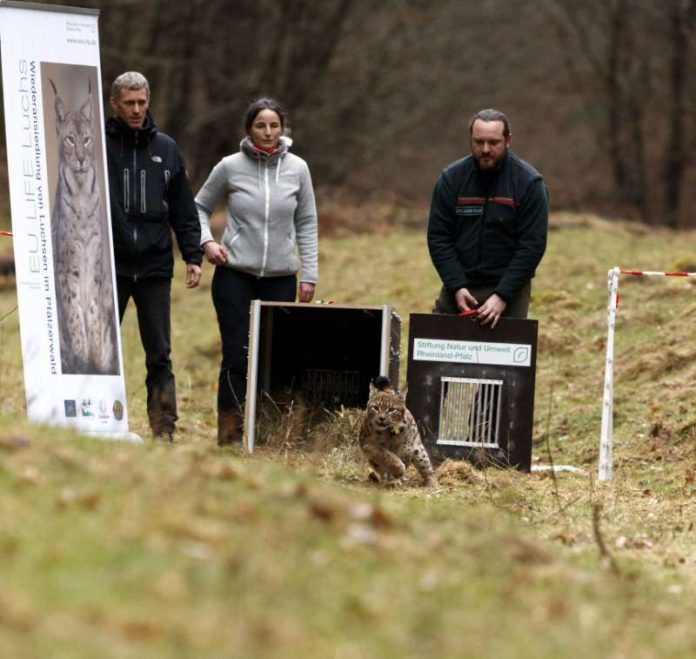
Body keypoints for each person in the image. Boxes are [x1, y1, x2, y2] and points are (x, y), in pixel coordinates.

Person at [195, 97, 318, 446]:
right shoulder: (229, 167)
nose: (268, 132)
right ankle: (230, 437)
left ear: (283, 129)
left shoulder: (298, 169)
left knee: (275, 359)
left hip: (280, 278)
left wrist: (308, 274)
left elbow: (307, 222)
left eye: (274, 125)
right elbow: (199, 207)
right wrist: (207, 243)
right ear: (249, 129)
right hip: (235, 276)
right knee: (237, 354)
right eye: (260, 125)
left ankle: (268, 435)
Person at [105, 71, 202, 442]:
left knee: (159, 354)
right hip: (109, 265)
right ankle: (95, 419)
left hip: (155, 267)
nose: (136, 109)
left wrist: (192, 254)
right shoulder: (99, 144)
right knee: (100, 350)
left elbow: (183, 208)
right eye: (129, 102)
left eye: (142, 102)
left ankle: (163, 429)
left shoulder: (166, 149)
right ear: (115, 104)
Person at [427, 108, 548, 328]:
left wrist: (503, 295)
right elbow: (439, 237)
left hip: (509, 287)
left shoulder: (529, 184)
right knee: (437, 350)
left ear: (508, 140)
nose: (485, 149)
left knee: (504, 357)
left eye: (493, 142)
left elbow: (532, 245)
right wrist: (456, 286)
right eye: (478, 142)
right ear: (470, 140)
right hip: (459, 284)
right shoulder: (451, 180)